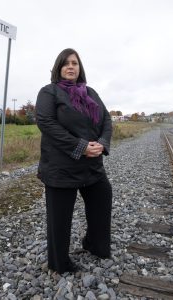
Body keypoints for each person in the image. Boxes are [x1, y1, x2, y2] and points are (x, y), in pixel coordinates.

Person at [36, 48, 113, 274]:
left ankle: (95, 244)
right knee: (60, 219)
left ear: (80, 68)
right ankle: (59, 262)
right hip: (61, 166)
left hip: (92, 165)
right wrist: (80, 147)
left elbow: (107, 120)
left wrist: (102, 142)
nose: (71, 67)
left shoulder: (91, 93)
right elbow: (46, 123)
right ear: (59, 67)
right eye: (66, 63)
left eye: (75, 63)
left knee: (103, 200)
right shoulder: (49, 92)